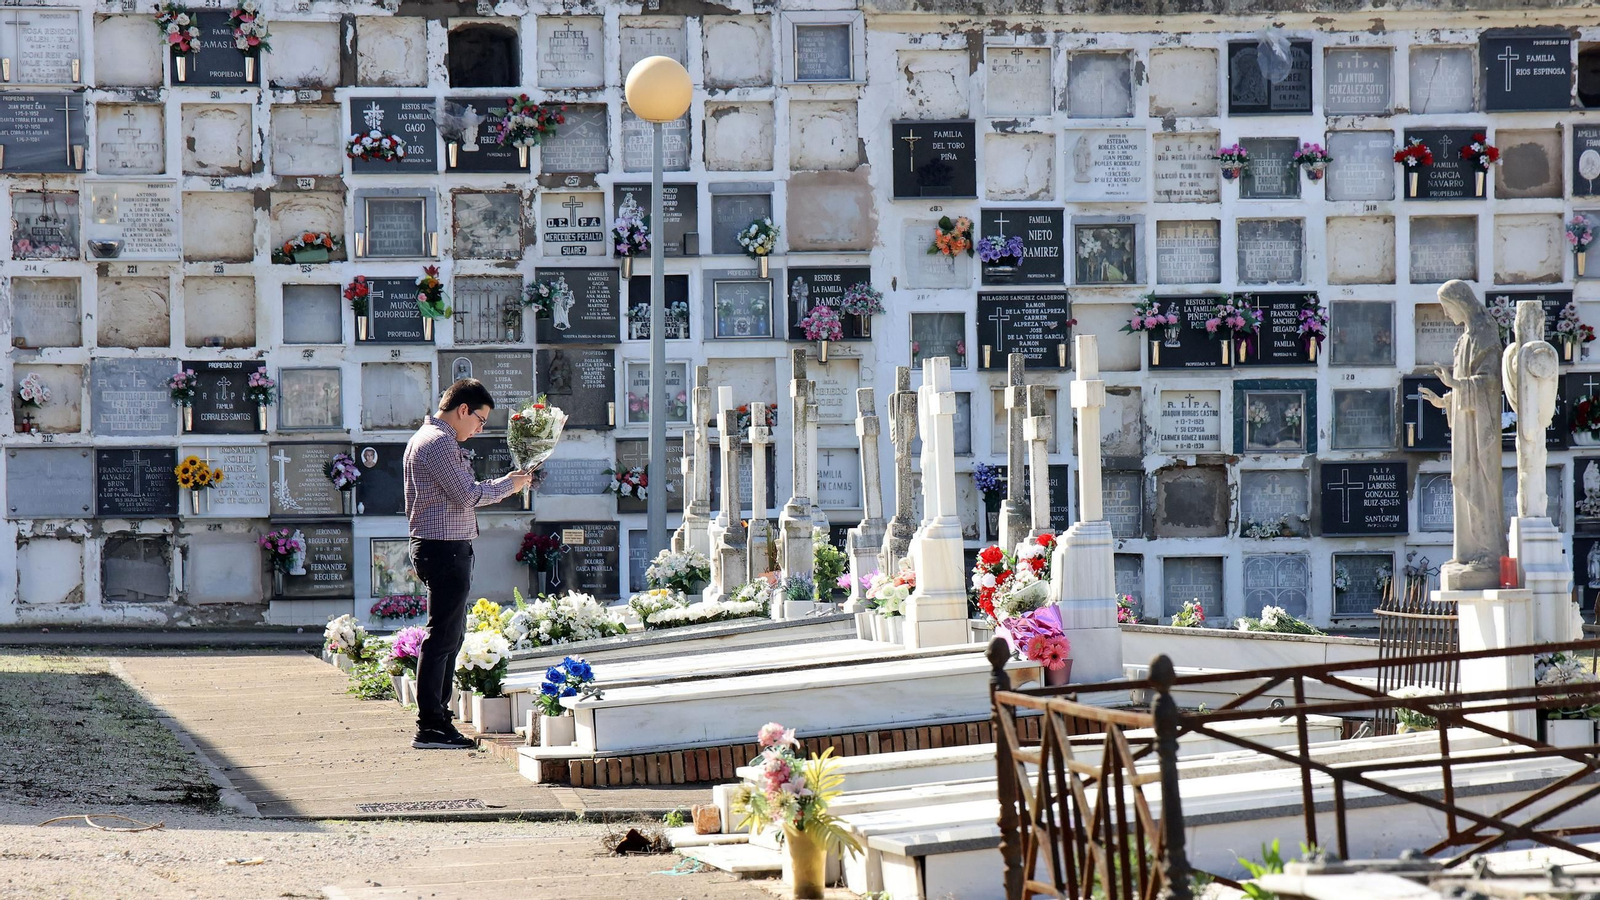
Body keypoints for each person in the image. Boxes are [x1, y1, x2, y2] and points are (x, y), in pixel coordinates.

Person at [404, 379, 534, 750]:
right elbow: (467, 495)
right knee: (442, 637)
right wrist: (509, 485)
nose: (479, 429)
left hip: (445, 547)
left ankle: (439, 720)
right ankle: (430, 725)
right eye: (479, 420)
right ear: (462, 410)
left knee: (450, 636)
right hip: (442, 548)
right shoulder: (438, 442)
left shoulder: (432, 438)